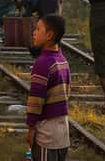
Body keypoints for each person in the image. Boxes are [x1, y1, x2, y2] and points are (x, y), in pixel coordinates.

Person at [27, 15, 71, 161]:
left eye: (38, 29)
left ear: (49, 35)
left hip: (47, 135)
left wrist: (31, 128)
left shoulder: (42, 63)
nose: (34, 32)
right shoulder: (62, 60)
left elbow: (36, 100)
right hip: (62, 132)